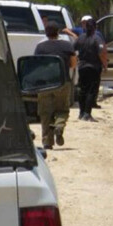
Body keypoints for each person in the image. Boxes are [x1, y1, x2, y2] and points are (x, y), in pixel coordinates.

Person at [34, 21, 76, 149]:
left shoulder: (40, 47)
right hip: (62, 82)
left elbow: (37, 65)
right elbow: (73, 64)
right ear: (58, 32)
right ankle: (59, 126)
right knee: (62, 109)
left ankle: (47, 141)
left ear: (46, 33)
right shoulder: (67, 45)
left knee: (45, 112)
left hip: (45, 84)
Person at [73, 18, 106, 122]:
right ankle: (87, 114)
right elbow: (101, 52)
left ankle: (81, 113)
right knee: (91, 91)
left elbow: (73, 49)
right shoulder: (97, 38)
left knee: (82, 90)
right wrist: (105, 64)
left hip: (82, 67)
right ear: (95, 27)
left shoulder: (80, 38)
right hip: (93, 67)